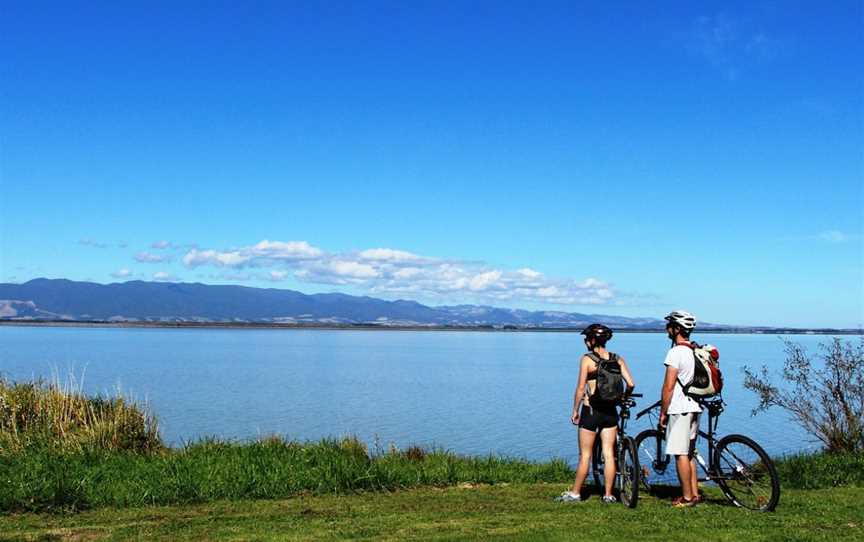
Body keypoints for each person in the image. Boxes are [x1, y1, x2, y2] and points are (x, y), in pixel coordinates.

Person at [557, 324, 635, 503]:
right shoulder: (617, 359)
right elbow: (631, 384)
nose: (585, 342)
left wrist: (575, 411)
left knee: (585, 455)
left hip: (591, 411)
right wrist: (622, 398)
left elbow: (579, 388)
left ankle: (576, 493)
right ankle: (608, 495)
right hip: (610, 411)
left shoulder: (587, 359)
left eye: (586, 339)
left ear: (592, 340)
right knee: (609, 453)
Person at [659, 310, 702, 508]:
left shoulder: (675, 352)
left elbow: (668, 386)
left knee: (680, 454)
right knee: (689, 452)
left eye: (670, 326)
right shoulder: (694, 350)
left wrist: (663, 412)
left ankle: (686, 498)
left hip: (679, 407)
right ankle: (694, 494)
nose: (667, 329)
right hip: (695, 406)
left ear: (677, 329)